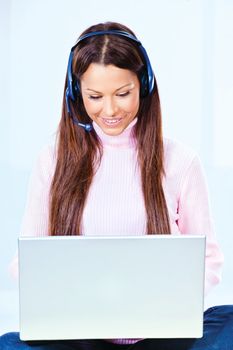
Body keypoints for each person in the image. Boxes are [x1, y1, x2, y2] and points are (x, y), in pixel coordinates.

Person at [1, 21, 233, 350]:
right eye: (95, 96)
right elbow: (25, 263)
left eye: (123, 94)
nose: (109, 110)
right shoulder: (52, 160)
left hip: (162, 336)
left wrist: (167, 302)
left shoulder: (180, 161)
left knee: (230, 323)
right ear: (76, 95)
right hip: (79, 337)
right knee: (9, 345)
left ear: (145, 85)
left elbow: (209, 259)